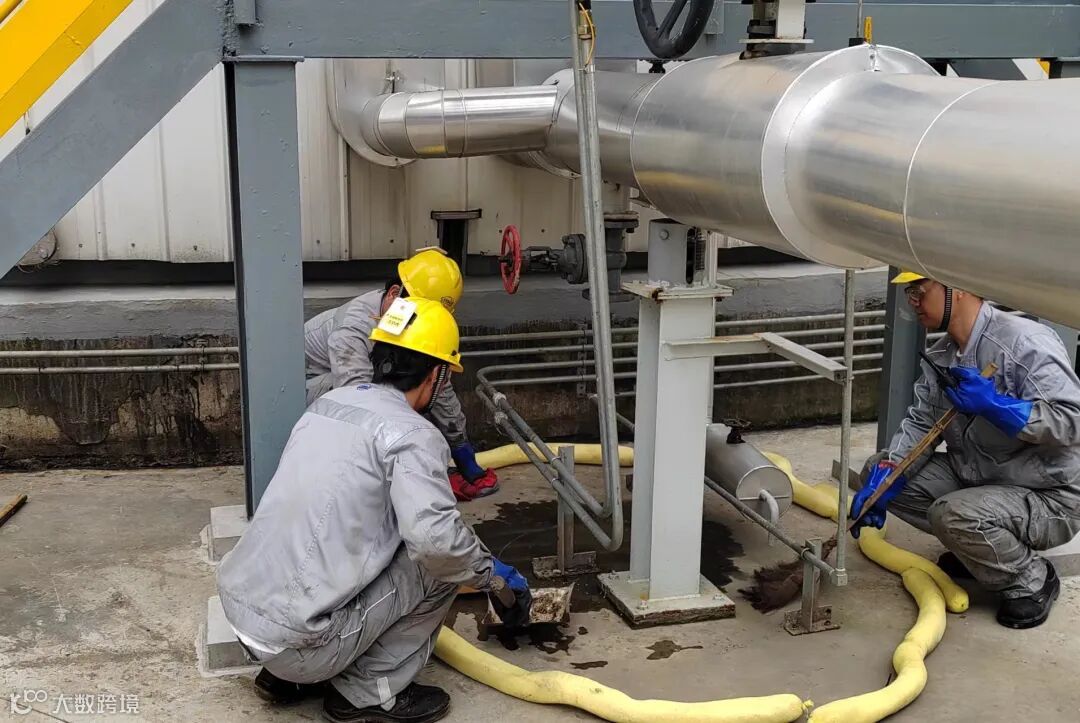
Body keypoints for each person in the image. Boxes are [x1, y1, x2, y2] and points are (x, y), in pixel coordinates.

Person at [217, 297, 532, 723]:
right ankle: (368, 692)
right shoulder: (413, 435)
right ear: (438, 375)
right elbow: (438, 544)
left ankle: (285, 678)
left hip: (242, 615)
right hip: (298, 644)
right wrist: (493, 577)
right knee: (440, 565)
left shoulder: (328, 406)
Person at [851, 270, 1080, 629]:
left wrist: (999, 407)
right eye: (909, 293)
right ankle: (979, 551)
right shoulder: (944, 356)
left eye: (919, 290)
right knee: (878, 472)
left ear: (956, 288)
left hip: (1048, 496)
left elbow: (1072, 421)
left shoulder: (1024, 343)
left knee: (953, 514)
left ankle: (1031, 578)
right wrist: (885, 479)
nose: (913, 302)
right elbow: (921, 423)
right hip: (982, 479)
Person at [304, 247, 498, 501]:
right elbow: (356, 404)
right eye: (417, 314)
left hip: (353, 399)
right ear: (394, 294)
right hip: (309, 399)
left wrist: (461, 448)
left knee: (410, 386)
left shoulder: (405, 318)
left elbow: (437, 382)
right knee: (381, 391)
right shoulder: (353, 329)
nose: (420, 324)